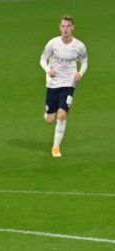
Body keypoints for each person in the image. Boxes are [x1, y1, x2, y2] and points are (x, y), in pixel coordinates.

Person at [40, 16, 88, 158]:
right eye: (63, 26)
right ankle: (48, 113)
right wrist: (48, 70)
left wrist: (80, 73)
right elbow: (42, 59)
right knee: (50, 119)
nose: (65, 29)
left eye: (68, 26)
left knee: (62, 115)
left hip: (68, 83)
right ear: (60, 28)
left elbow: (85, 62)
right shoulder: (53, 44)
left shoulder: (79, 46)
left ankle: (56, 148)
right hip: (53, 84)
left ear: (72, 27)